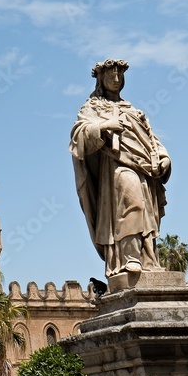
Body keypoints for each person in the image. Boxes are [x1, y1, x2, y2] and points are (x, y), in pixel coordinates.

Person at [70, 59, 171, 278]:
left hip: (144, 168)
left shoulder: (133, 110)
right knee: (130, 199)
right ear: (101, 79)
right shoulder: (92, 107)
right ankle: (129, 257)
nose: (116, 80)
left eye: (119, 76)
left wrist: (164, 158)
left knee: (146, 211)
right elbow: (79, 135)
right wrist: (104, 126)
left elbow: (150, 140)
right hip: (116, 166)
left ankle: (147, 260)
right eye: (110, 76)